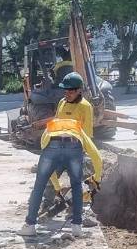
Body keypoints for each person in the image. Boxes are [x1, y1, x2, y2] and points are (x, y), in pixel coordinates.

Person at [21, 71, 101, 237]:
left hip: (76, 148)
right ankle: (46, 208)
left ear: (79, 90)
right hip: (56, 145)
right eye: (65, 91)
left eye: (71, 91)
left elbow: (86, 134)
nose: (67, 93)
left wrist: (85, 157)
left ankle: (77, 215)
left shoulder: (85, 107)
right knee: (46, 184)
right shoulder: (62, 102)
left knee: (79, 184)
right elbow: (56, 123)